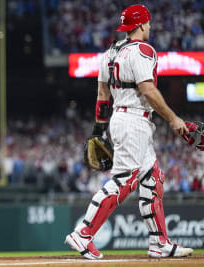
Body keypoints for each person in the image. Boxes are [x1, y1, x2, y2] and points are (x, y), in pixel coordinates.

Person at [64, 5, 194, 259]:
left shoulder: (110, 53)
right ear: (142, 25)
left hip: (121, 118)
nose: (150, 27)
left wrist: (99, 130)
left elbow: (103, 96)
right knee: (125, 180)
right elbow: (147, 89)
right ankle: (83, 233)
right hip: (134, 120)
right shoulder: (144, 50)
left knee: (152, 177)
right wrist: (173, 118)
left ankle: (159, 243)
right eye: (149, 23)